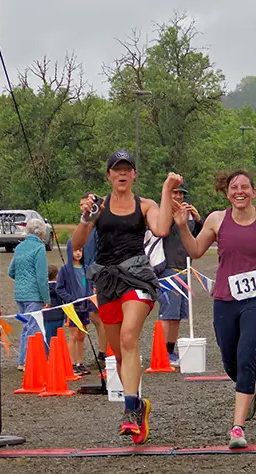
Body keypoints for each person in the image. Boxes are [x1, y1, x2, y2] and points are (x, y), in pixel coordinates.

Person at [173, 169, 256, 449]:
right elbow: (196, 251)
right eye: (234, 188)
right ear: (227, 193)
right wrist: (183, 227)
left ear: (253, 192)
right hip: (225, 298)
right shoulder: (216, 220)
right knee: (230, 361)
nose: (239, 192)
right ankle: (251, 386)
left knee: (247, 355)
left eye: (245, 187)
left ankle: (237, 427)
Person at [72, 150, 179, 445]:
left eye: (127, 169)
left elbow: (161, 228)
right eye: (116, 169)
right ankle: (139, 406)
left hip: (137, 277)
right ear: (108, 176)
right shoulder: (98, 207)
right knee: (119, 352)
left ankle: (129, 411)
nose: (121, 174)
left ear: (133, 175)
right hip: (107, 280)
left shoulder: (145, 205)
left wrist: (167, 192)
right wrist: (86, 218)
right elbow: (77, 245)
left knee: (130, 337)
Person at [158, 181, 204, 368]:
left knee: (178, 314)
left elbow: (198, 239)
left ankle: (170, 349)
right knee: (167, 313)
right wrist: (171, 211)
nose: (178, 197)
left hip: (184, 268)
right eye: (174, 193)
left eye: (181, 194)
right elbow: (161, 231)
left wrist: (198, 220)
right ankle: (161, 352)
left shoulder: (187, 217)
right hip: (168, 268)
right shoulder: (163, 214)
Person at [7, 218, 50, 371]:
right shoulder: (39, 248)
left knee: (27, 327)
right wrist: (46, 298)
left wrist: (21, 281)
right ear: (41, 233)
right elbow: (42, 277)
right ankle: (26, 360)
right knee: (33, 328)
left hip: (20, 294)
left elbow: (10, 271)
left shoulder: (19, 247)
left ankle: (24, 359)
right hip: (34, 295)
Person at [56, 239, 93, 376]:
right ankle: (71, 364)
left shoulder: (86, 269)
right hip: (72, 308)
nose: (78, 253)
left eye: (80, 250)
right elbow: (59, 288)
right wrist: (70, 299)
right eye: (75, 250)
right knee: (73, 336)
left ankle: (80, 362)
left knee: (82, 335)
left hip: (85, 307)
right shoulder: (65, 270)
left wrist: (90, 297)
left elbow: (90, 286)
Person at [80, 197, 109, 362]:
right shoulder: (84, 228)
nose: (83, 206)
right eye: (81, 204)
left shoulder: (99, 228)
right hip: (85, 275)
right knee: (91, 315)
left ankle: (104, 351)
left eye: (86, 204)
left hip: (98, 275)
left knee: (99, 316)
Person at [44, 264, 65, 356]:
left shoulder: (43, 289)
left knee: (47, 338)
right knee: (57, 337)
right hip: (59, 316)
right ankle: (57, 355)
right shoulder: (59, 287)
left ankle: (48, 356)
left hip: (46, 317)